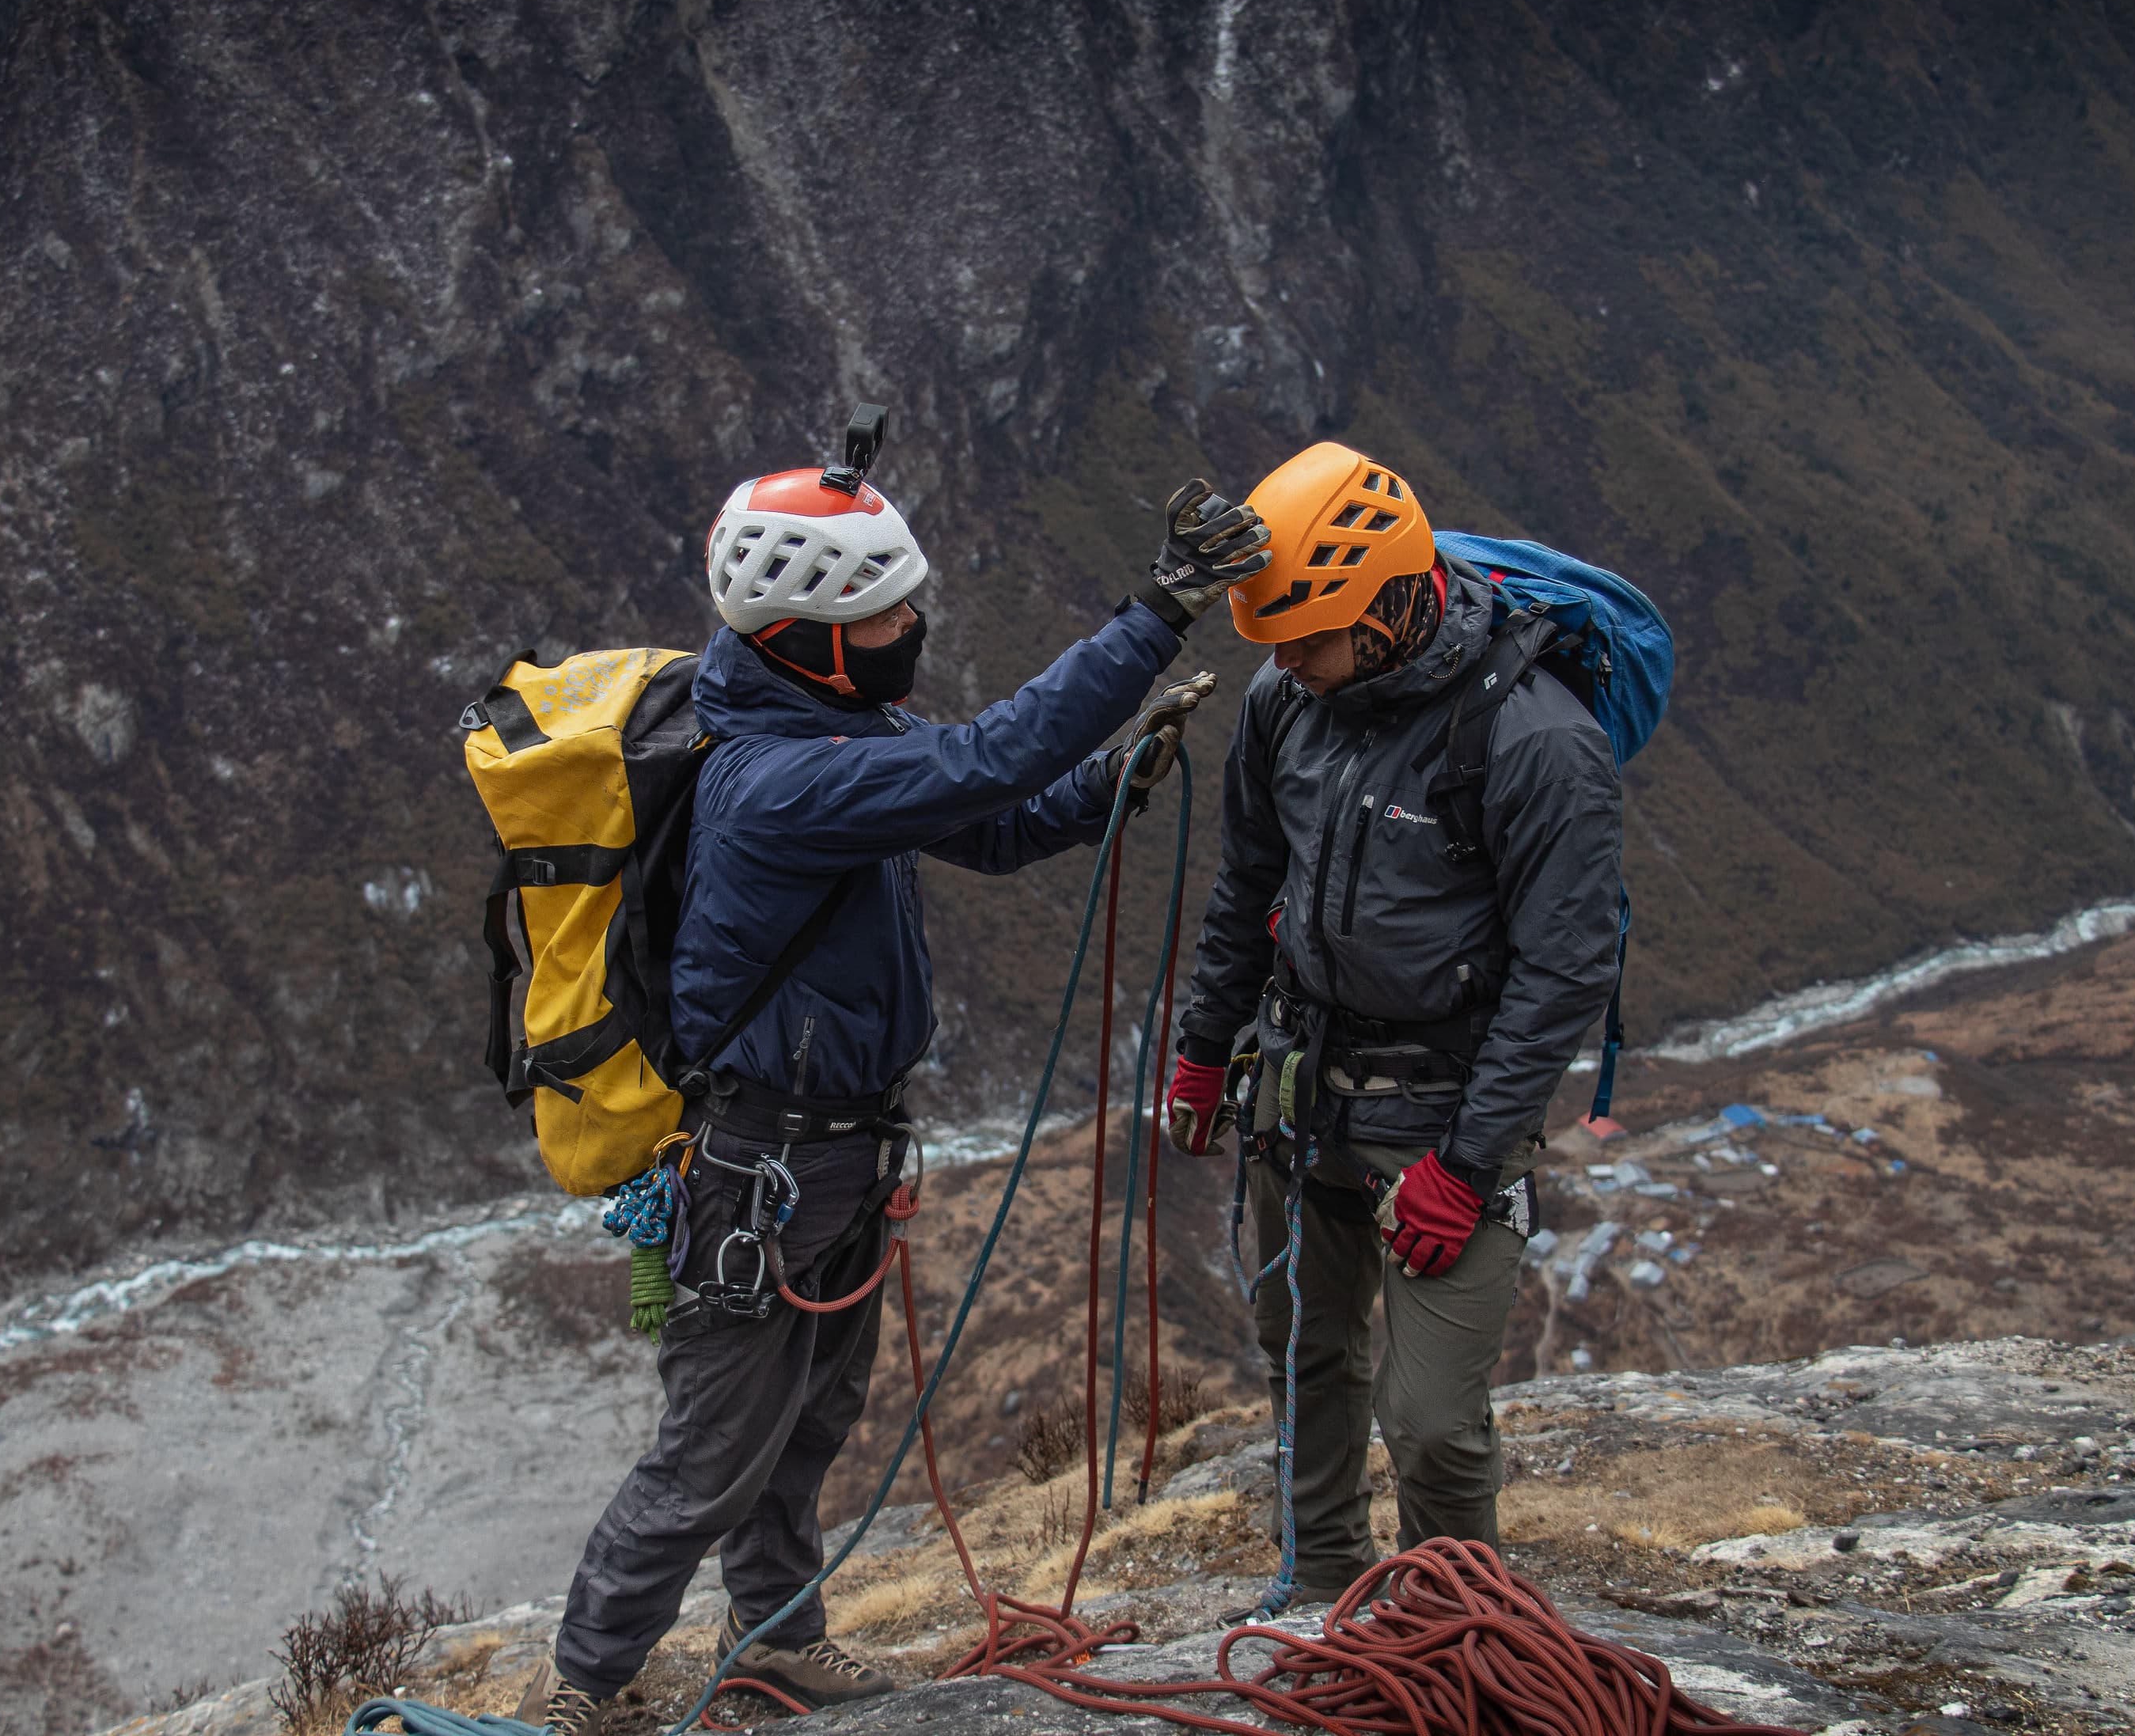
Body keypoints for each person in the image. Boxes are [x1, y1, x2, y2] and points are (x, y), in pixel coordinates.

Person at [517, 466, 1270, 1734]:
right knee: (712, 1452)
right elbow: (990, 760)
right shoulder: (780, 782)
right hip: (766, 1172)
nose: (911, 626)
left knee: (806, 1421)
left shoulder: (834, 732)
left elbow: (989, 819)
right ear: (806, 634)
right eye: (883, 613)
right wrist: (1158, 613)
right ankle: (581, 1689)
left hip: (832, 1159)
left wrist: (1109, 783)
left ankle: (775, 1645)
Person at [1159, 442, 1624, 1607]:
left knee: (1430, 1420)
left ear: (1387, 607)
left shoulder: (1536, 743)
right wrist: (1206, 1050)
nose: (1285, 665)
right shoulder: (1285, 703)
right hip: (1301, 1090)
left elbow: (1565, 971)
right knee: (1302, 1350)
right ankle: (1322, 1574)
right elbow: (1247, 887)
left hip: (1449, 1114)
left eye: (1307, 640)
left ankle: (1458, 1625)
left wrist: (1466, 1168)